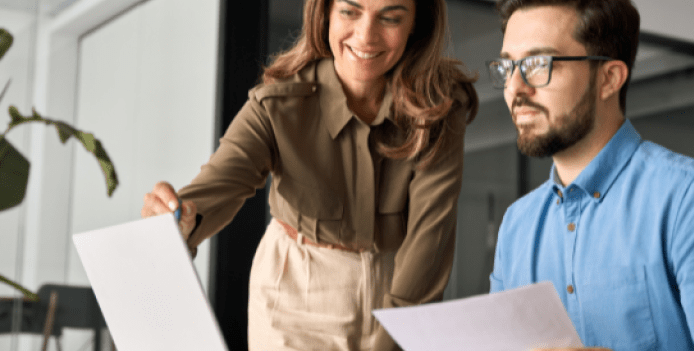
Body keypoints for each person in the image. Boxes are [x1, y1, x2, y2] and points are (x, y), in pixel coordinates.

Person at [140, 0, 478, 350]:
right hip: (296, 293)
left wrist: (398, 335)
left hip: (399, 286)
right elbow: (218, 184)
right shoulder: (277, 103)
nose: (366, 36)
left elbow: (430, 235)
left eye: (390, 18)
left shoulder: (440, 106)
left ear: (416, 24)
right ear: (325, 13)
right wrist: (176, 218)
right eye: (350, 11)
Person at [487, 0, 694, 350]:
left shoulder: (693, 201)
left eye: (538, 64)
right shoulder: (516, 227)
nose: (515, 88)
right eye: (508, 67)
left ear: (609, 78)